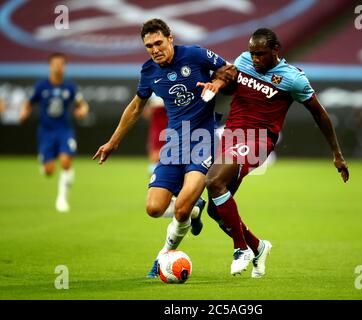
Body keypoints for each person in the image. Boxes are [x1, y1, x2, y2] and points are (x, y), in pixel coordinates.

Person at [197, 28, 349, 277]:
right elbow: (230, 86)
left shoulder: (293, 78)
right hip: (230, 137)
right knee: (216, 209)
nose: (255, 59)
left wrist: (337, 153)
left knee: (213, 180)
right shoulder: (244, 61)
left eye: (261, 54)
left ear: (276, 51)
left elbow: (319, 114)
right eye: (252, 53)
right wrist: (218, 84)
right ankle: (258, 247)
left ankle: (240, 249)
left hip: (258, 140)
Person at [92, 19, 228, 278]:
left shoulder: (196, 55)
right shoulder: (148, 72)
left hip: (203, 139)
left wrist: (218, 84)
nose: (154, 49)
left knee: (181, 208)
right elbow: (135, 107)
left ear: (170, 38)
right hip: (173, 144)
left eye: (158, 43)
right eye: (148, 46)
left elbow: (228, 70)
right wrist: (113, 141)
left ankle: (162, 256)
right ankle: (195, 207)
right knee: (154, 209)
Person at [20, 52, 89, 213]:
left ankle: (62, 199)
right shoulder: (41, 86)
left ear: (64, 67)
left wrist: (82, 111)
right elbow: (29, 103)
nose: (59, 67)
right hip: (46, 132)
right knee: (49, 171)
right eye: (55, 64)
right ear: (50, 66)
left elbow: (82, 104)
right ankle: (44, 162)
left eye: (61, 64)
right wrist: (24, 112)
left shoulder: (70, 87)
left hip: (65, 130)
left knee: (66, 162)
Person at [142, 93, 168, 175]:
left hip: (169, 126)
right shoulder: (152, 92)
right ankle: (154, 177)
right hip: (157, 127)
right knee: (155, 154)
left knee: (157, 155)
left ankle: (156, 177)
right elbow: (147, 114)